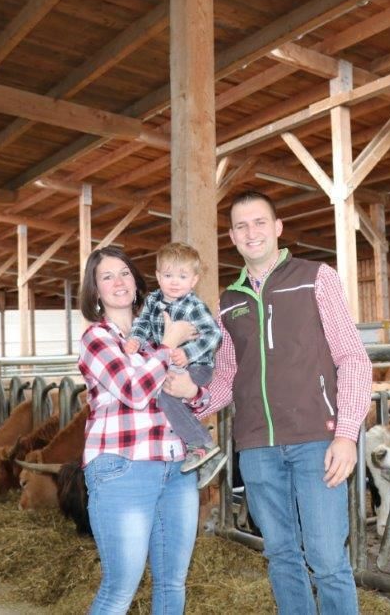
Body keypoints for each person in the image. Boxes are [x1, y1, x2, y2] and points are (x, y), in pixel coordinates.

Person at [198, 190, 372, 614]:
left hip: (318, 440)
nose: (251, 232)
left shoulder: (316, 277)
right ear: (232, 237)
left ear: (277, 229)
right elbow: (225, 377)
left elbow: (352, 357)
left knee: (327, 559)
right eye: (241, 226)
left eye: (259, 223)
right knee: (280, 554)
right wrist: (182, 407)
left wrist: (347, 434)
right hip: (257, 447)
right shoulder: (228, 302)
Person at [77, 245, 204, 615]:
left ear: (136, 281)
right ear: (95, 291)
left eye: (125, 273)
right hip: (123, 468)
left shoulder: (153, 337)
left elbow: (190, 399)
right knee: (120, 589)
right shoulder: (97, 339)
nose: (118, 281)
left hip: (176, 468)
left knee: (172, 583)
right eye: (106, 276)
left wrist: (194, 392)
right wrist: (168, 344)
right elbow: (133, 392)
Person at [123, 242, 225, 481]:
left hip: (197, 366)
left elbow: (213, 334)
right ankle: (200, 450)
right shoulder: (152, 301)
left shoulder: (194, 305)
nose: (174, 281)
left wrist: (188, 352)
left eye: (182, 275)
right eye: (168, 275)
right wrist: (135, 339)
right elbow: (142, 324)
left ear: (194, 280)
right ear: (158, 276)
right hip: (172, 364)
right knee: (162, 395)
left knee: (167, 396)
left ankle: (202, 445)